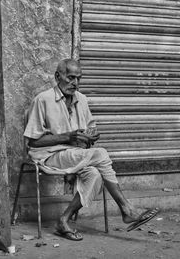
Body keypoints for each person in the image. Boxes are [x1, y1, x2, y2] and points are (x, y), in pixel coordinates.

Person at [24, 59, 159, 241]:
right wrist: (67, 137)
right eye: (71, 78)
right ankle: (126, 209)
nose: (75, 83)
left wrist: (91, 135)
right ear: (58, 76)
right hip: (49, 155)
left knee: (95, 175)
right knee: (101, 154)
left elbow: (89, 127)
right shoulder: (43, 100)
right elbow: (33, 142)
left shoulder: (82, 99)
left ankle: (63, 219)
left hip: (75, 154)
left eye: (79, 78)